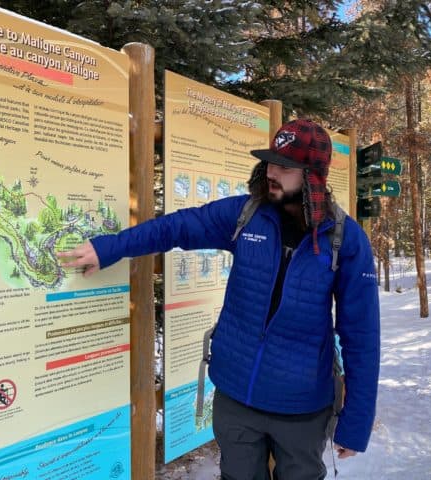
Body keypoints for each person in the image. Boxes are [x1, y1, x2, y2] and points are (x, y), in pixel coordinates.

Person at [58, 119, 380, 479]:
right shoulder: (247, 215)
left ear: (312, 176)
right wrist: (109, 249)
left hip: (301, 409)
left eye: (285, 166)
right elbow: (177, 226)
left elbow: (362, 337)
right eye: (270, 161)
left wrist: (356, 422)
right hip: (236, 397)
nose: (272, 172)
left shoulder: (346, 241)